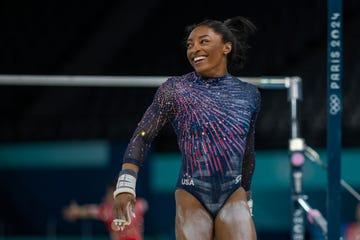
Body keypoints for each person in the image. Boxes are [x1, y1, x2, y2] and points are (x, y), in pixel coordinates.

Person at [112, 16, 260, 240]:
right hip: (192, 192)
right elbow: (142, 136)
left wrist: (247, 196)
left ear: (226, 47)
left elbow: (248, 150)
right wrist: (125, 185)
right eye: (190, 45)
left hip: (233, 193)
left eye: (204, 41)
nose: (194, 49)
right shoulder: (175, 90)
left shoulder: (249, 95)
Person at [63, 183, 148, 240]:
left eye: (108, 194)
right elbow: (144, 205)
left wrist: (77, 211)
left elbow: (90, 211)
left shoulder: (109, 210)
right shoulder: (139, 204)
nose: (107, 196)